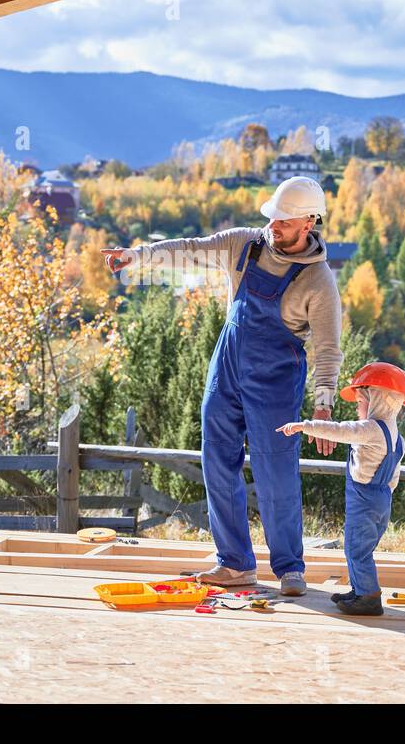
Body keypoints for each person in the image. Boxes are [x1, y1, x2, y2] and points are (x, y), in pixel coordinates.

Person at [102, 176, 342, 596]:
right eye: (273, 217)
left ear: (309, 223)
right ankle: (234, 564)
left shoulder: (318, 281)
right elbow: (189, 250)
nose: (274, 227)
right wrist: (137, 256)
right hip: (228, 365)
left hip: (277, 378)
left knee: (276, 470)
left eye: (285, 222)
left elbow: (328, 349)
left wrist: (323, 404)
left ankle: (289, 568)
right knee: (217, 458)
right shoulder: (245, 244)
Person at [276, 361, 405, 615]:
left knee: (356, 549)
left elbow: (338, 430)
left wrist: (302, 426)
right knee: (362, 547)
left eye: (360, 401)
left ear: (377, 401)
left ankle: (368, 599)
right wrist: (382, 497)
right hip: (381, 497)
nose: (357, 407)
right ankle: (359, 589)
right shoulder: (397, 437)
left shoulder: (371, 429)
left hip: (364, 498)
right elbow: (394, 476)